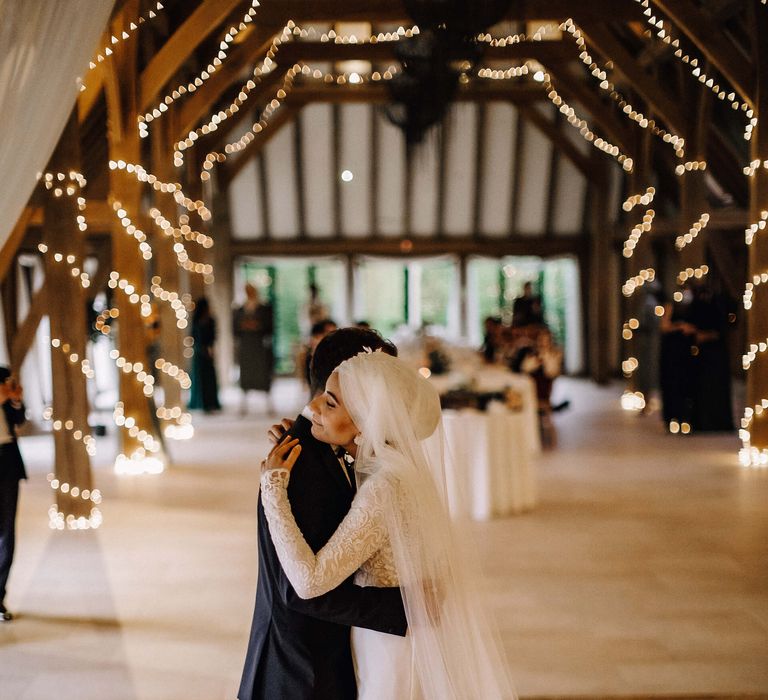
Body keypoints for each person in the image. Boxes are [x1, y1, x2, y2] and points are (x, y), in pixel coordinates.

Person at [260, 351, 516, 699]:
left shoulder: (384, 486)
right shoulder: (395, 469)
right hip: (392, 634)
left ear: (367, 422)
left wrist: (273, 488)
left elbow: (308, 583)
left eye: (331, 404)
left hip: (387, 645)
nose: (313, 407)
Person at [238, 327, 408, 700]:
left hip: (328, 659)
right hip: (302, 669)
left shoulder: (341, 443)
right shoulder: (297, 462)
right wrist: (404, 606)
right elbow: (298, 591)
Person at [0, 367, 26, 622]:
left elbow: (20, 420)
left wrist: (15, 399)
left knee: (7, 531)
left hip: (7, 461)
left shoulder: (6, 391)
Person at [233, 284, 274, 415]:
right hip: (246, 346)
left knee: (263, 374)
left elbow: (270, 327)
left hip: (259, 346)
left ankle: (269, 404)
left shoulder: (264, 308)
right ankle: (243, 404)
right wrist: (245, 326)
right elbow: (234, 329)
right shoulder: (239, 309)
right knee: (246, 375)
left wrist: (257, 326)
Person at [188, 297, 221, 412]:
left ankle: (210, 402)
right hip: (198, 352)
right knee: (199, 378)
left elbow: (213, 336)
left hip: (207, 352)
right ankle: (199, 402)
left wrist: (209, 348)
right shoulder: (196, 320)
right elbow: (192, 335)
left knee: (209, 378)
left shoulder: (210, 320)